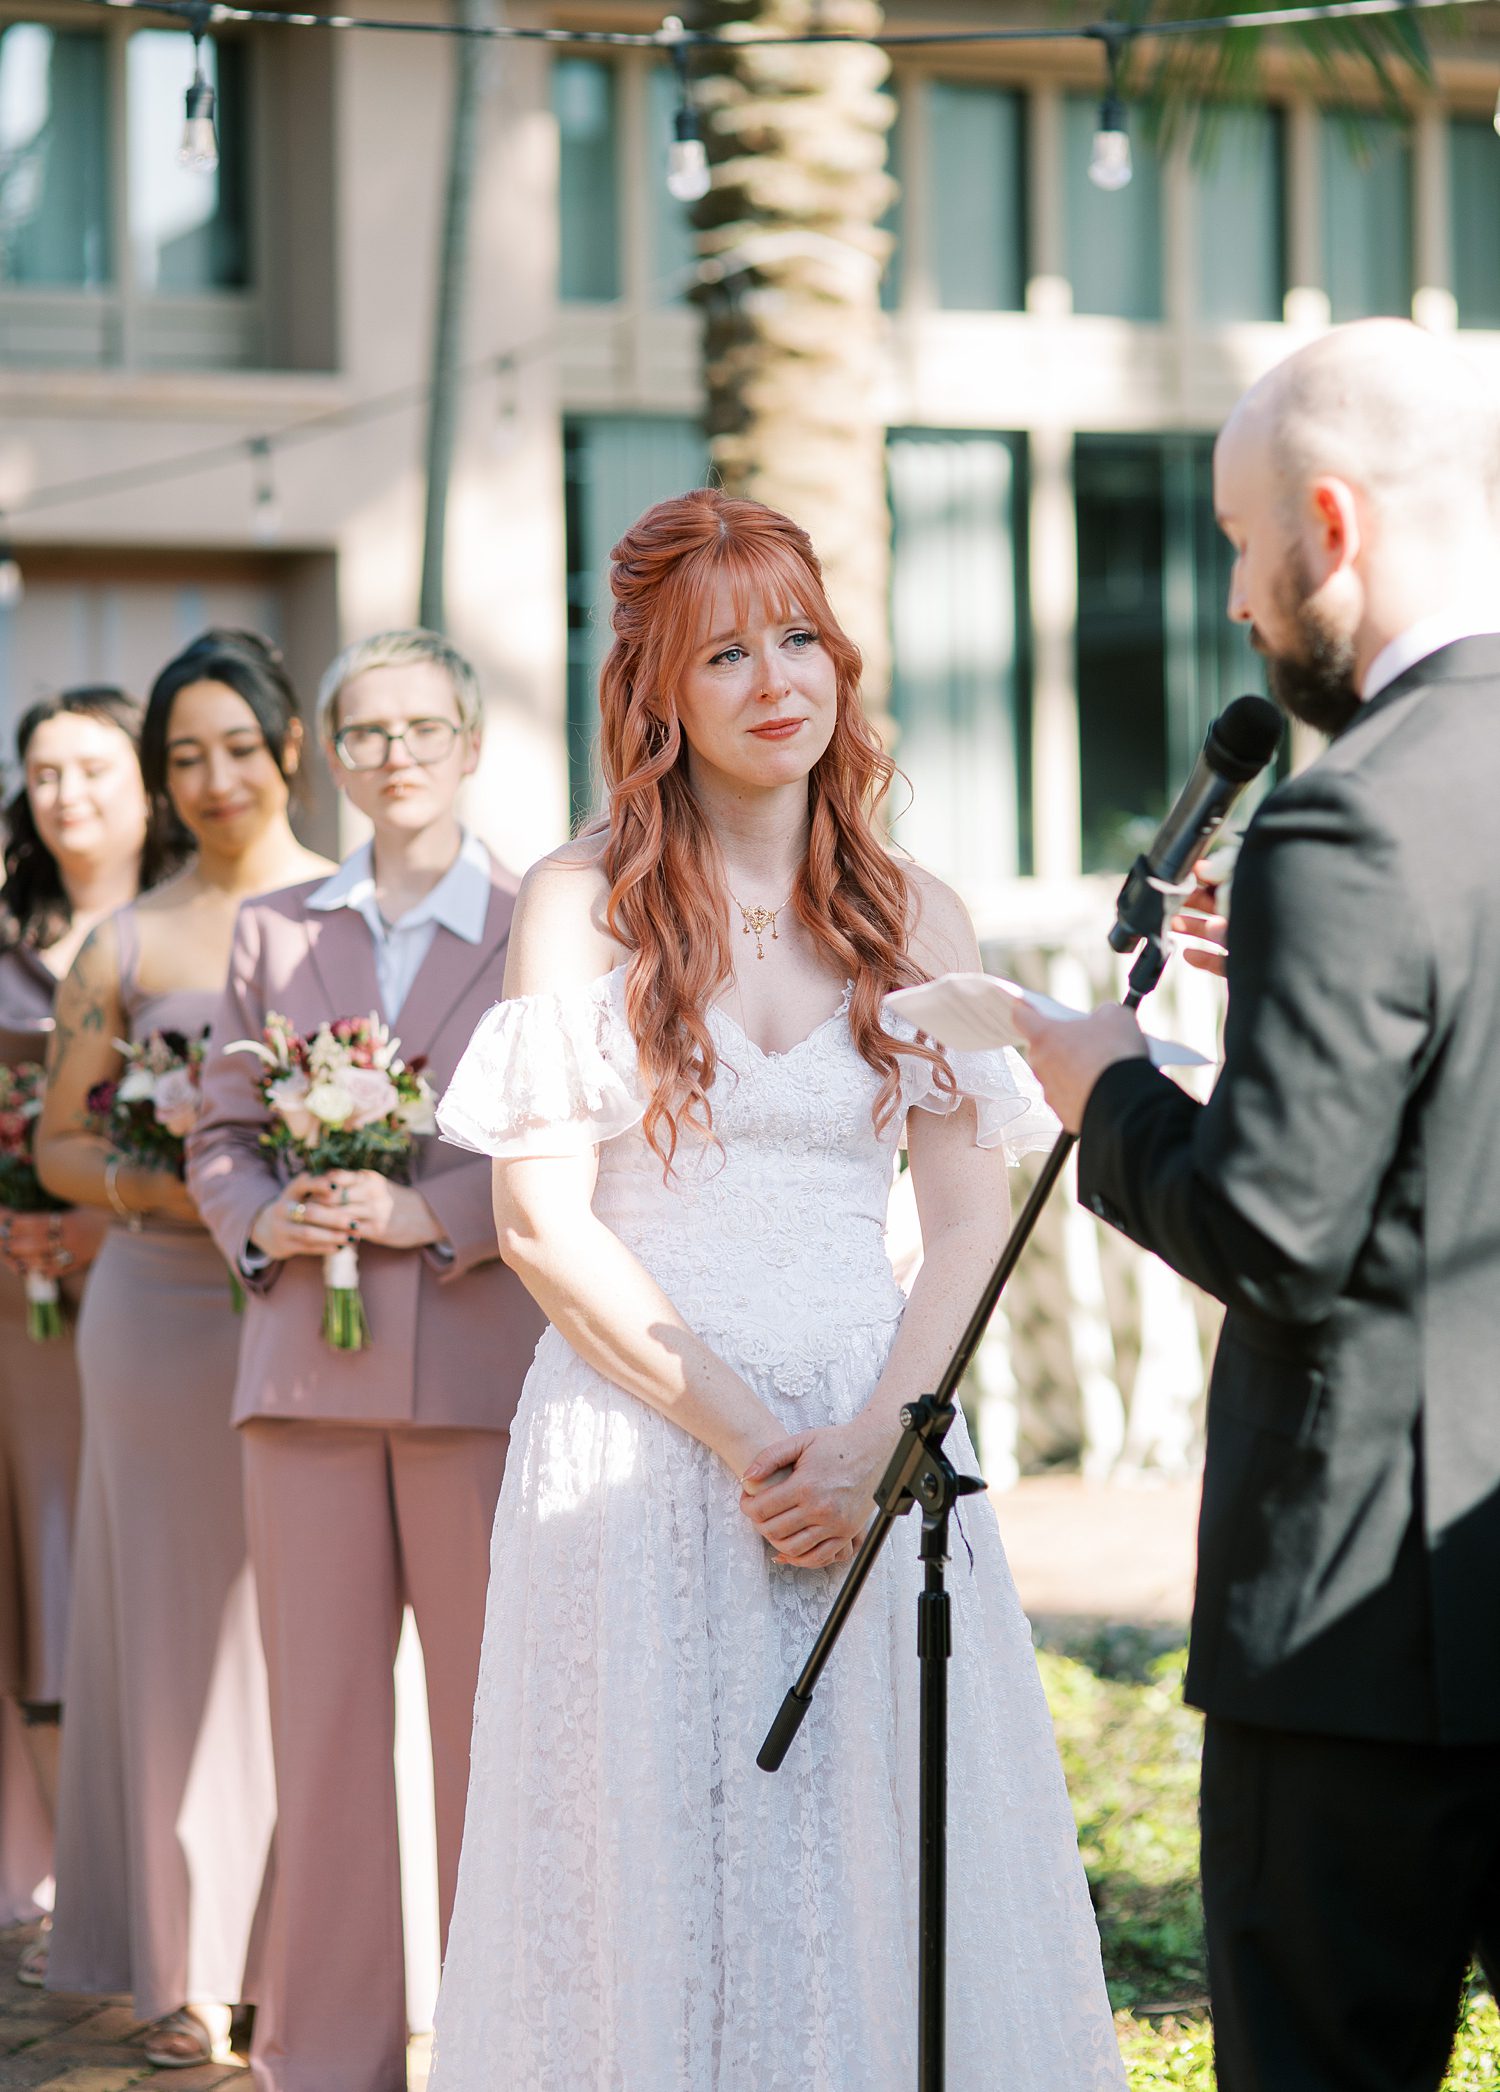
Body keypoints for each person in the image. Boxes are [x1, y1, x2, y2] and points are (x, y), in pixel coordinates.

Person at [427, 490, 1125, 2090]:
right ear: (657, 694)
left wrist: (882, 1439)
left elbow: (968, 1218)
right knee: (648, 1857)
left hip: (880, 1429)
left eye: (798, 636)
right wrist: (758, 1446)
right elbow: (539, 1221)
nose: (775, 680)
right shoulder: (582, 902)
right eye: (725, 653)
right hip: (641, 1441)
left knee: (879, 1850)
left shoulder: (915, 913)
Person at [1013, 318, 1500, 2092]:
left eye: (1238, 542)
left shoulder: (1347, 819)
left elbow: (1280, 1239)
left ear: (1332, 524)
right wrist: (1293, 1009)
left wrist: (1108, 1091)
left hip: (1363, 1626)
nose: (1233, 598)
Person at [187, 629, 546, 2092]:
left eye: (421, 728)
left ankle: (502, 2049)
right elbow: (220, 1133)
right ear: (332, 757)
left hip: (475, 1377)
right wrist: (261, 1213)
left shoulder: (540, 923)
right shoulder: (273, 930)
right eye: (366, 733)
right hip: (304, 1381)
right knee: (323, 1738)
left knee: (488, 1733)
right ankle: (324, 2063)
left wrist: (432, 1211)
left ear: (470, 745)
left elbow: (577, 1138)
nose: (395, 755)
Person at [36, 630, 329, 2068]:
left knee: (314, 1631)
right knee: (161, 1640)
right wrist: (165, 1186)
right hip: (155, 1315)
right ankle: (180, 1967)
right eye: (185, 757)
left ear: (290, 749)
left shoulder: (353, 914)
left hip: (318, 1312)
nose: (215, 780)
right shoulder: (126, 943)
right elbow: (57, 1144)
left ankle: (309, 1951)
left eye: (238, 748)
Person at [0, 688, 159, 1965]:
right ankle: (53, 1870)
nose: (67, 795)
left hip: (158, 1279)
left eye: (94, 768)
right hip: (17, 1305)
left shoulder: (197, 926)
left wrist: (100, 1219)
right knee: (35, 1564)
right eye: (44, 772)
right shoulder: (7, 940)